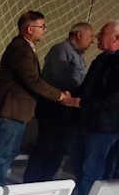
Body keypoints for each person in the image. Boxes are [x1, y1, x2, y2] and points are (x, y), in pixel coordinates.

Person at [0, 11, 69, 187]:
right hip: (10, 112)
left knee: (8, 153)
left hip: (17, 113)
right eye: (42, 26)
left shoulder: (25, 48)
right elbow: (33, 81)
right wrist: (60, 96)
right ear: (29, 29)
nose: (45, 30)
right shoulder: (21, 50)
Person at [23, 22, 94, 183]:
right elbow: (62, 79)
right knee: (45, 148)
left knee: (57, 150)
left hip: (66, 110)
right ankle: (32, 184)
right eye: (90, 36)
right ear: (79, 35)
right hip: (53, 109)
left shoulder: (78, 56)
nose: (92, 40)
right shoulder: (61, 50)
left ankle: (46, 184)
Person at [68, 20, 119, 195]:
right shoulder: (100, 60)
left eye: (102, 33)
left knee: (92, 172)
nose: (97, 36)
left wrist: (81, 103)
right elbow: (87, 88)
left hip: (104, 128)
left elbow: (113, 99)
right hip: (87, 123)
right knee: (80, 167)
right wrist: (71, 96)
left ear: (116, 38)